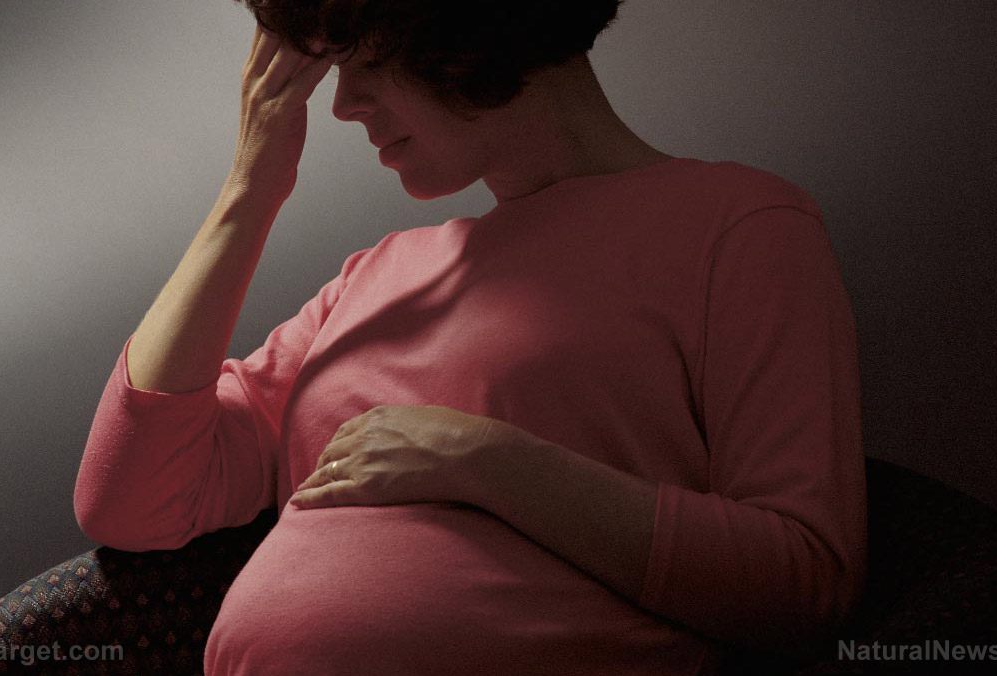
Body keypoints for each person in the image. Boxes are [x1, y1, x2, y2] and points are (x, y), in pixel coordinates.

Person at [73, 1, 867, 674]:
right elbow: (129, 503)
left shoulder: (741, 225)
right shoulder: (375, 277)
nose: (344, 105)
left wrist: (483, 460)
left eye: (367, 61)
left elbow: (800, 587)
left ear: (474, 27)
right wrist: (249, 189)